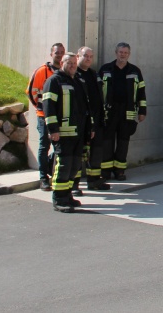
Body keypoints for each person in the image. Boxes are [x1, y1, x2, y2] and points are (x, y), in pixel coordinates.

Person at [42, 52, 91, 213]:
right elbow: (48, 108)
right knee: (63, 165)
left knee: (75, 166)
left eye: (74, 63)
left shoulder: (78, 81)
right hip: (63, 133)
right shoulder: (54, 81)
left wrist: (89, 129)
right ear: (62, 62)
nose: (72, 66)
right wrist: (53, 130)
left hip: (78, 133)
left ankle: (67, 194)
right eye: (68, 63)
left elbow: (85, 108)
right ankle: (59, 198)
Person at [98, 42, 146, 181]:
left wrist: (142, 111)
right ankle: (105, 171)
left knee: (123, 142)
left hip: (128, 111)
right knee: (107, 141)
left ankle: (119, 170)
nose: (123, 55)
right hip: (109, 112)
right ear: (116, 53)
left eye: (125, 52)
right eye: (120, 52)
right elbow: (98, 92)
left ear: (129, 54)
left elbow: (141, 92)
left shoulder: (135, 71)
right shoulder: (105, 69)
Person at [26, 42, 65, 191]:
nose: (60, 55)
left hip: (60, 117)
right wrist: (41, 107)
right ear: (51, 54)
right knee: (44, 145)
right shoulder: (43, 71)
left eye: (62, 52)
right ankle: (43, 177)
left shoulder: (64, 72)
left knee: (59, 147)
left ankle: (53, 171)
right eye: (57, 52)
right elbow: (31, 92)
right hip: (44, 116)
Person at [75, 46, 110, 192]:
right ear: (78, 56)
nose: (88, 59)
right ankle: (74, 184)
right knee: (77, 154)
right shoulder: (74, 75)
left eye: (91, 56)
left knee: (96, 152)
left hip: (96, 120)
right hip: (80, 122)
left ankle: (94, 180)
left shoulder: (94, 74)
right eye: (85, 56)